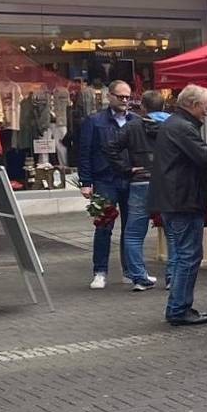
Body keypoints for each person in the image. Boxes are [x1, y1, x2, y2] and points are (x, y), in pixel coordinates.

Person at [148, 84, 207, 326]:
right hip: (182, 200)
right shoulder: (182, 128)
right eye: (205, 107)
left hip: (175, 199)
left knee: (180, 255)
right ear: (193, 105)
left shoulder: (176, 125)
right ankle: (179, 309)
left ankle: (178, 306)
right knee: (188, 255)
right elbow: (206, 159)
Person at [103, 90, 169, 291]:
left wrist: (125, 169)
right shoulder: (173, 125)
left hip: (139, 181)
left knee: (133, 233)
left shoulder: (132, 126)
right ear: (164, 106)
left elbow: (109, 147)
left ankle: (139, 278)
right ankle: (174, 277)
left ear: (143, 107)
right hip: (166, 182)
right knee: (173, 231)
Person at [80, 80, 139, 289]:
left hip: (130, 178)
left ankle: (130, 270)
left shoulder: (136, 120)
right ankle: (100, 271)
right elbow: (85, 153)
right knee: (104, 226)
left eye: (127, 97)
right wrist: (86, 182)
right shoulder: (95, 121)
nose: (125, 101)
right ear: (109, 97)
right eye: (120, 97)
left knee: (131, 228)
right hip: (105, 179)